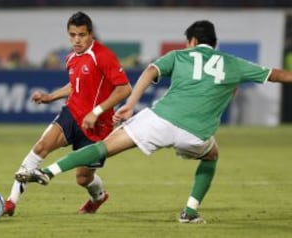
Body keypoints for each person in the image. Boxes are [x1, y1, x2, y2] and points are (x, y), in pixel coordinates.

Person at [15, 20, 292, 223]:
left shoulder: (179, 55)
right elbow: (277, 74)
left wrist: (131, 105)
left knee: (105, 147)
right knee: (212, 156)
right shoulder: (232, 63)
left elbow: (150, 70)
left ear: (192, 42)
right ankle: (190, 212)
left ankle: (48, 171)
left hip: (159, 120)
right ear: (213, 44)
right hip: (195, 134)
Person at [4, 11, 132, 216]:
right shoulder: (71, 57)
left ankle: (98, 197)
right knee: (41, 147)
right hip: (72, 114)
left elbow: (125, 89)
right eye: (72, 35)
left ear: (91, 34)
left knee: (83, 179)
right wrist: (50, 97)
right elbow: (75, 85)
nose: (76, 40)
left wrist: (96, 112)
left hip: (97, 126)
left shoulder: (103, 56)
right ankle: (10, 203)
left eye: (81, 35)